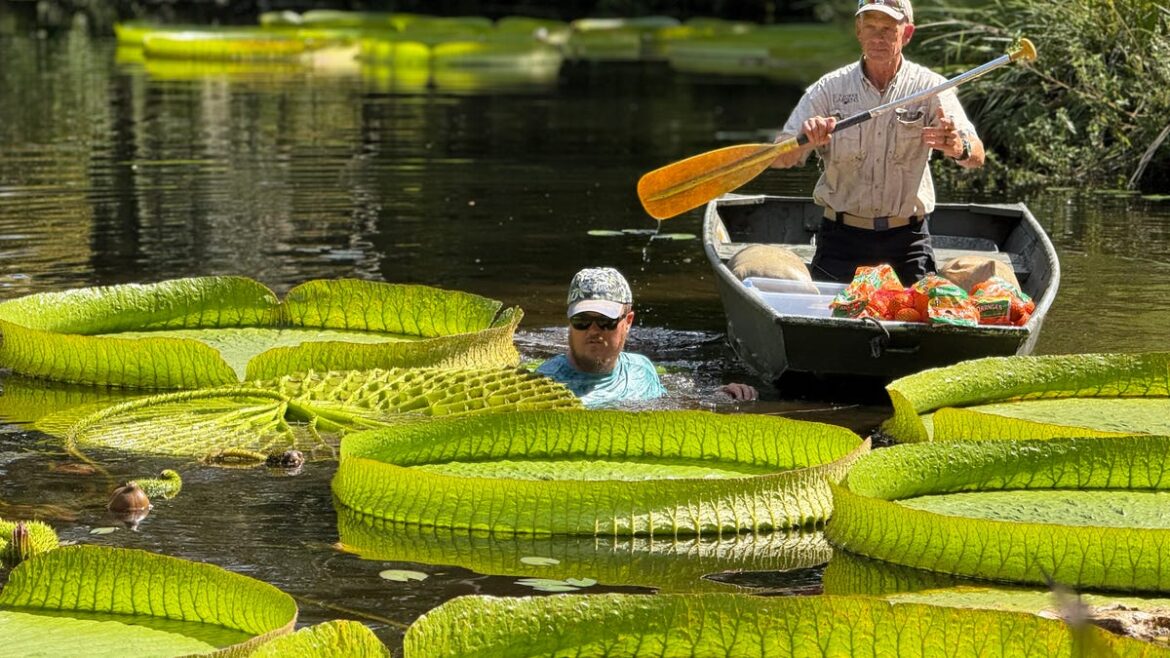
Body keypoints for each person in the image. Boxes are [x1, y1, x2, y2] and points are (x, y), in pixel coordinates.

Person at [769, 0, 986, 286]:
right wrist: (805, 141)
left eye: (887, 28)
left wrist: (959, 147)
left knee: (918, 320)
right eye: (869, 27)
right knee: (827, 323)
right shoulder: (829, 89)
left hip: (908, 241)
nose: (877, 37)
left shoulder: (932, 87)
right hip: (841, 239)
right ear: (858, 31)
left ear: (907, 34)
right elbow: (779, 157)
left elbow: (977, 155)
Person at [537, 267, 758, 408]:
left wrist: (720, 396)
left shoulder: (641, 370)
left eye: (606, 321)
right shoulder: (541, 385)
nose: (593, 330)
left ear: (628, 321)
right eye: (582, 320)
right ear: (569, 321)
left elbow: (676, 403)